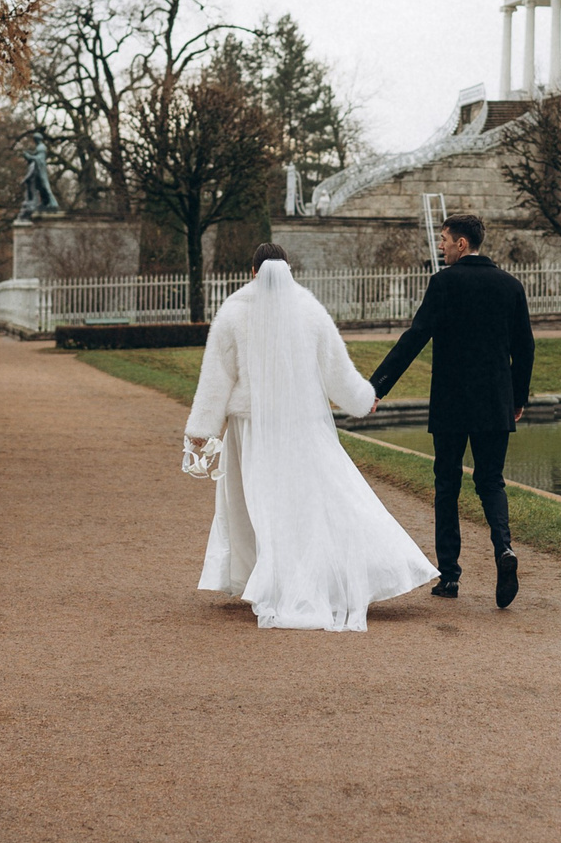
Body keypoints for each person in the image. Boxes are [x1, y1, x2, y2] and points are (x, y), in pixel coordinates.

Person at [183, 243, 438, 631]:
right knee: (318, 497)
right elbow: (336, 369)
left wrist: (201, 429)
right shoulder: (310, 312)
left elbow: (217, 377)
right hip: (302, 424)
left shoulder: (233, 313)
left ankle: (261, 575)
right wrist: (363, 398)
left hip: (251, 429)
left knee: (253, 503)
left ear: (253, 272)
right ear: (289, 270)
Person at [368, 212, 535, 607]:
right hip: (495, 402)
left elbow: (415, 338)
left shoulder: (444, 283)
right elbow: (525, 348)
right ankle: (504, 549)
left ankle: (450, 576)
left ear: (462, 243)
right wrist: (518, 398)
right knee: (491, 481)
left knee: (447, 484)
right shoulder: (510, 286)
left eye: (444, 240)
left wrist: (377, 386)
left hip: (451, 402)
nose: (440, 246)